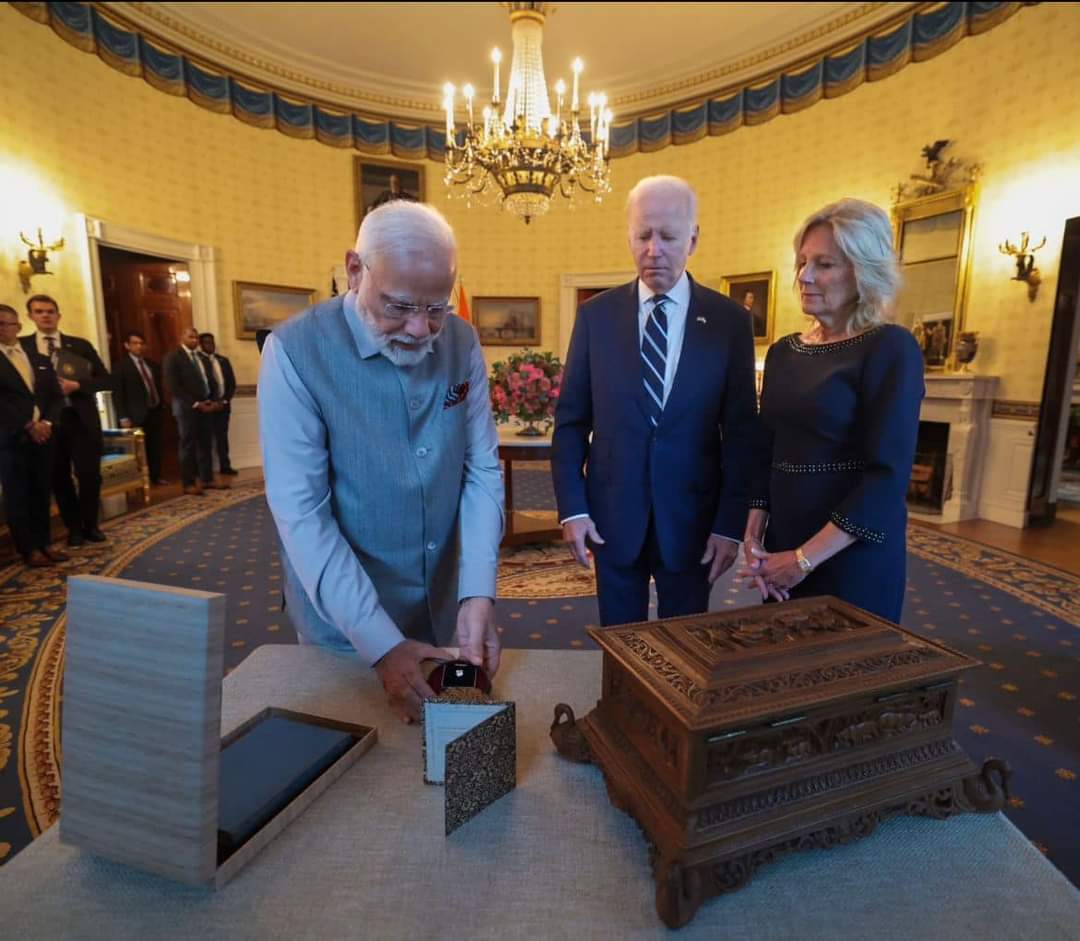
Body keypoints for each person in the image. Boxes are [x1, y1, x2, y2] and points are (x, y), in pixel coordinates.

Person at [258, 200, 504, 723]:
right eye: (399, 307)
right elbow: (303, 515)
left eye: (437, 308)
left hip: (438, 602)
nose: (421, 329)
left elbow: (481, 468)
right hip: (341, 625)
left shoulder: (462, 342)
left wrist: (477, 590)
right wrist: (379, 642)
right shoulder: (292, 352)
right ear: (354, 270)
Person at [551, 175, 758, 626]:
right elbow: (570, 423)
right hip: (611, 517)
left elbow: (741, 436)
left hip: (694, 522)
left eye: (667, 236)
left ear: (693, 239)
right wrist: (573, 509)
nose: (653, 249)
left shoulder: (729, 323)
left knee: (686, 648)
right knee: (620, 643)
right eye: (642, 235)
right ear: (629, 236)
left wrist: (729, 526)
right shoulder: (595, 317)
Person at [740, 197, 924, 622]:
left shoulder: (890, 348)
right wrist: (753, 539)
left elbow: (886, 477)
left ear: (863, 272)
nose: (804, 276)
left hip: (851, 554)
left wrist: (804, 559)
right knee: (784, 668)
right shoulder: (784, 351)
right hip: (783, 545)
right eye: (802, 262)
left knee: (844, 676)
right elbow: (765, 451)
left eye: (824, 264)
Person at [21, 294, 111, 547]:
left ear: (58, 315)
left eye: (50, 311)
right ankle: (73, 528)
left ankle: (91, 525)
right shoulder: (22, 347)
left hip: (80, 419)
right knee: (58, 477)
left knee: (89, 474)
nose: (45, 315)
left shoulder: (79, 345)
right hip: (47, 423)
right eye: (39, 312)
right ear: (31, 316)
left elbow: (105, 380)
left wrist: (78, 385)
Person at [0, 304, 67, 567]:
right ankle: (28, 549)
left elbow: (54, 396)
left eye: (8, 323)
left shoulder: (36, 357)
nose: (4, 328)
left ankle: (45, 542)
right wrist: (28, 424)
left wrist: (47, 421)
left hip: (43, 435)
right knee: (18, 494)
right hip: (12, 438)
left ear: (19, 325)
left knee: (41, 492)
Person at [163, 327, 225, 495]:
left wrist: (213, 402)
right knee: (188, 446)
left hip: (206, 407)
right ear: (181, 337)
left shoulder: (200, 358)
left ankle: (207, 479)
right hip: (186, 409)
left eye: (196, 337)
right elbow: (174, 387)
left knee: (206, 445)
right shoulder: (173, 357)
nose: (195, 340)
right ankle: (188, 483)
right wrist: (196, 404)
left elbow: (209, 381)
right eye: (191, 337)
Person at [113, 330, 167, 485]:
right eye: (135, 343)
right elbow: (118, 394)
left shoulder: (152, 365)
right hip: (135, 415)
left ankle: (155, 476)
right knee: (137, 450)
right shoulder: (120, 366)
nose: (139, 346)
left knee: (155, 446)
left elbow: (158, 388)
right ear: (127, 346)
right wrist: (123, 416)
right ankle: (139, 480)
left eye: (141, 343)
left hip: (155, 412)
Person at [198, 332, 238, 475]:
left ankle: (225, 466)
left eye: (212, 342)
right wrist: (210, 403)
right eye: (207, 342)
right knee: (206, 440)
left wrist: (224, 401)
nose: (211, 345)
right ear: (201, 344)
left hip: (223, 406)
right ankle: (205, 471)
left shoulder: (223, 360)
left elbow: (231, 384)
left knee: (222, 438)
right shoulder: (198, 361)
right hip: (206, 407)